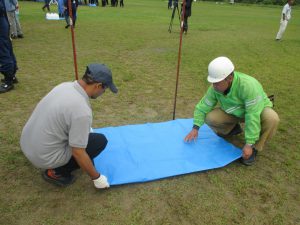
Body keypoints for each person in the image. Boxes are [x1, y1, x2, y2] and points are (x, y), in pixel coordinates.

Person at [20, 63, 118, 188]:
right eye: (105, 89)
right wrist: (97, 178)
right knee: (99, 141)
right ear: (98, 85)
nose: (103, 92)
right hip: (43, 157)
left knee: (86, 136)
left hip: (27, 144)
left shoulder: (64, 86)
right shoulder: (81, 111)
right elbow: (78, 152)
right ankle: (56, 172)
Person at [184, 56, 279, 166]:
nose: (214, 86)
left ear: (229, 78)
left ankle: (255, 147)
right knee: (210, 118)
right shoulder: (215, 88)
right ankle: (233, 129)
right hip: (235, 112)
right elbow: (202, 107)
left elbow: (252, 116)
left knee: (272, 118)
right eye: (213, 82)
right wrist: (195, 128)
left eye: (217, 83)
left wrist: (249, 144)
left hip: (256, 110)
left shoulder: (248, 86)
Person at [0, 0, 18, 93]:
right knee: (7, 49)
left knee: (3, 51)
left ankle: (8, 81)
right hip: (3, 19)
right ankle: (12, 75)